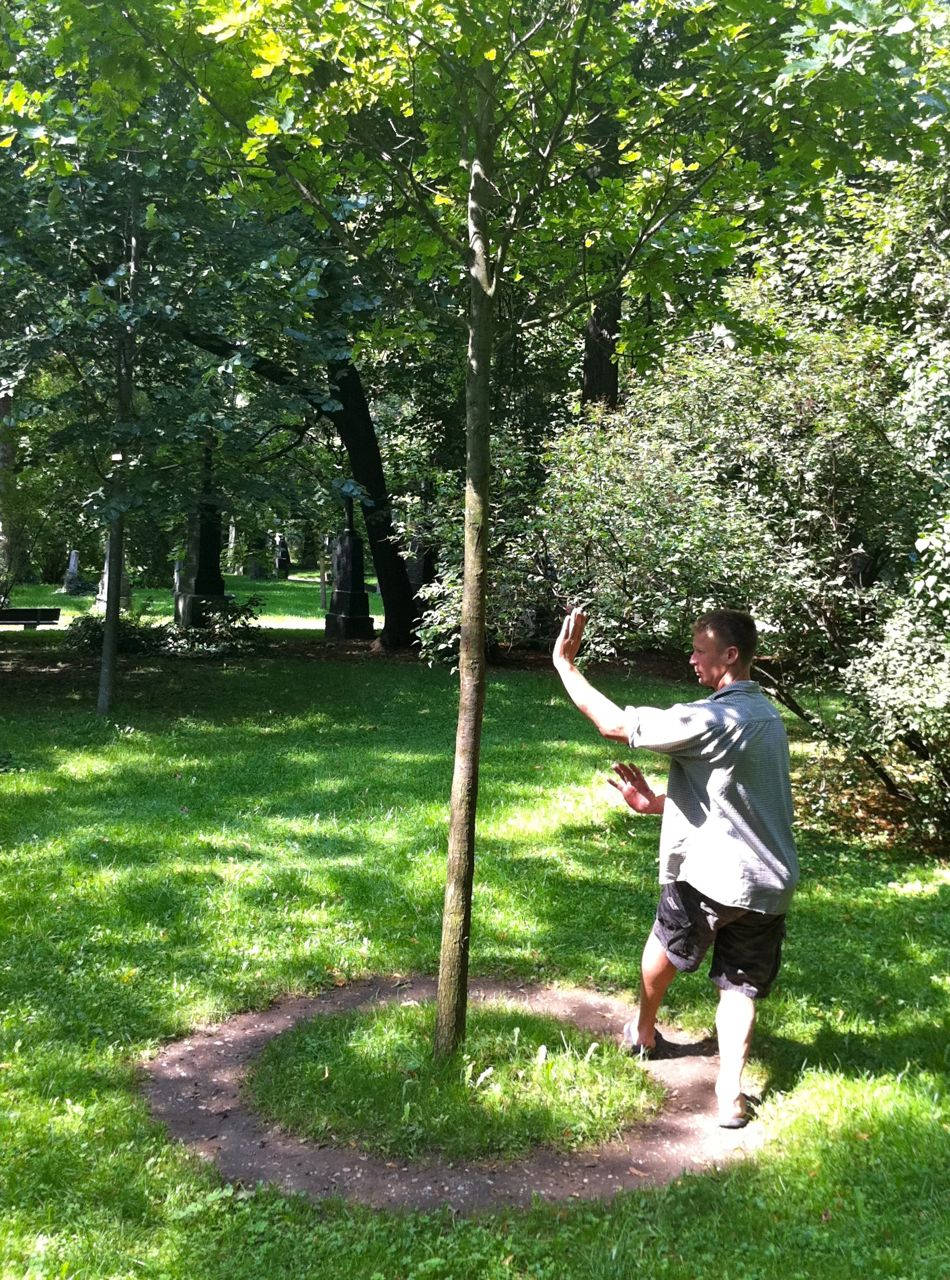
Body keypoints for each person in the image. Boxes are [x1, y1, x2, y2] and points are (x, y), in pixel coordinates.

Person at [552, 606, 798, 1128]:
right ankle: (730, 1094)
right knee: (739, 986)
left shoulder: (714, 717)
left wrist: (566, 665)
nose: (691, 660)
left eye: (700, 652)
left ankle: (642, 1032)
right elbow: (739, 800)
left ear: (730, 657)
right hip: (768, 884)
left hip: (715, 876)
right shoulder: (768, 718)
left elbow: (615, 725)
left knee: (664, 943)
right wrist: (657, 802)